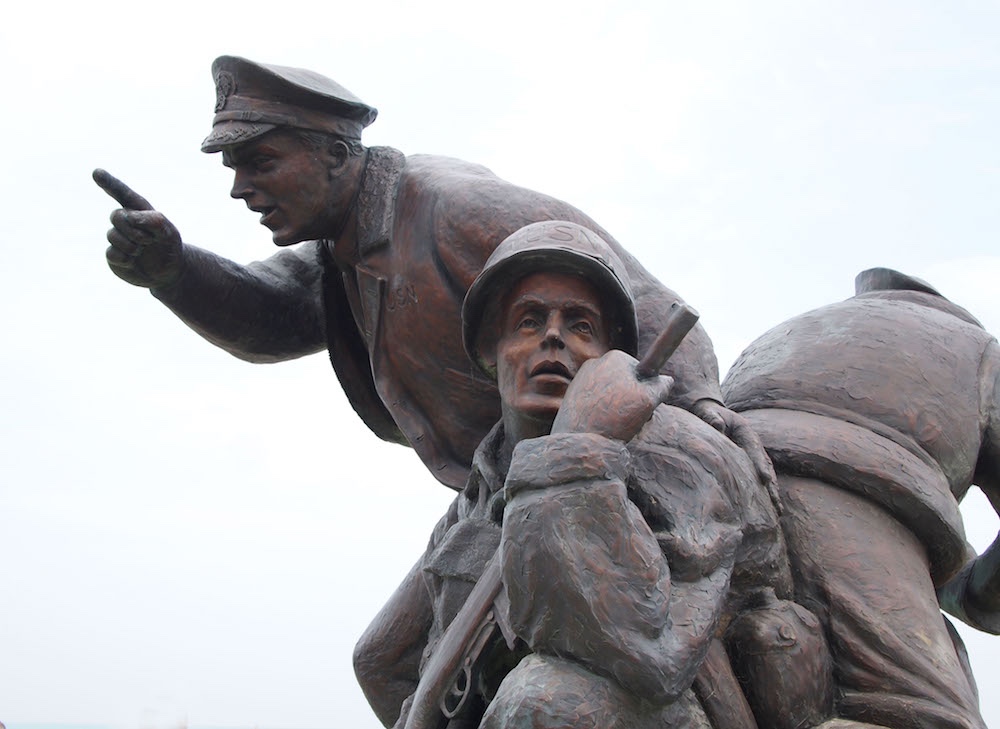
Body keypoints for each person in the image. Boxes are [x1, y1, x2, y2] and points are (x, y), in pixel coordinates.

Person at [95, 54, 772, 492]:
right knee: (384, 660)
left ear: (335, 154)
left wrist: (705, 405)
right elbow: (270, 313)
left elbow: (641, 293)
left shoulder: (454, 208)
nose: (241, 190)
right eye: (234, 170)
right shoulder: (342, 247)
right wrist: (173, 271)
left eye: (261, 163)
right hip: (500, 487)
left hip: (604, 469)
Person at [354, 221, 789, 729]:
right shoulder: (483, 485)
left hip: (664, 711)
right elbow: (384, 663)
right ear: (490, 351)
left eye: (581, 326)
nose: (554, 337)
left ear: (611, 358)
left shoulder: (681, 456)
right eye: (529, 322)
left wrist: (578, 454)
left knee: (542, 700)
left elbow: (653, 655)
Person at [722, 267, 999, 729]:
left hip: (726, 483)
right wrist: (969, 595)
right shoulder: (977, 350)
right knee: (920, 716)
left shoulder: (793, 329)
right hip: (849, 511)